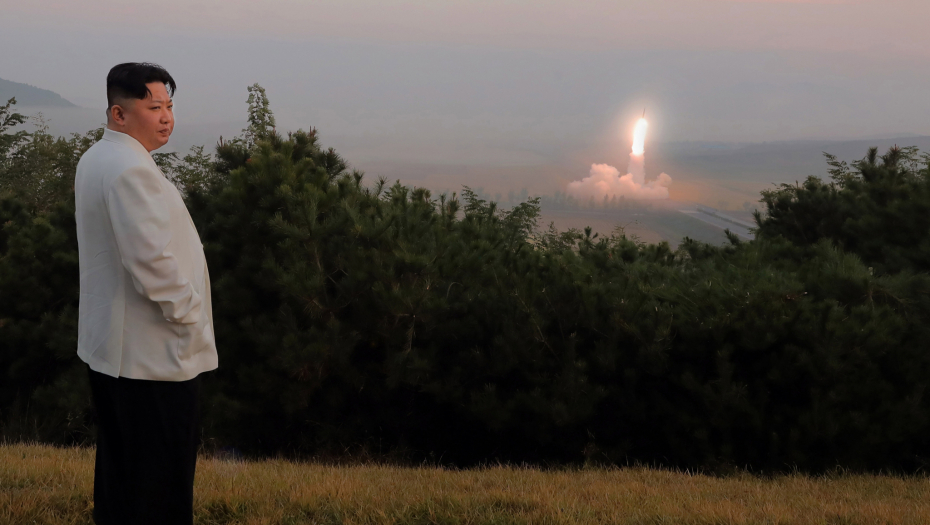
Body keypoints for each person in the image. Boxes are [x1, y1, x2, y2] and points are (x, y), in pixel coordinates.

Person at [74, 62, 218, 525]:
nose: (166, 117)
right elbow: (151, 262)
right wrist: (189, 314)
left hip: (114, 349)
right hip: (150, 354)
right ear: (119, 113)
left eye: (170, 106)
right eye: (154, 106)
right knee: (161, 478)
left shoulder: (98, 157)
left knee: (124, 468)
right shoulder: (131, 170)